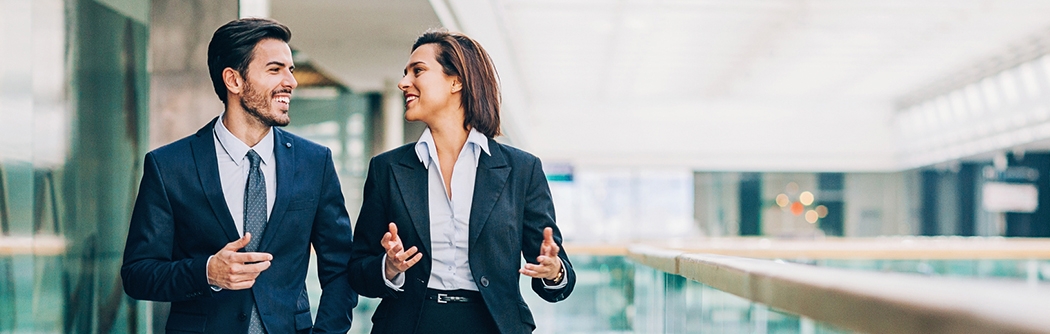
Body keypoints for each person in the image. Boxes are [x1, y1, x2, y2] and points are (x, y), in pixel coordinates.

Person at [121, 18, 356, 334]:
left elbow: (340, 269)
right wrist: (207, 272)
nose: (291, 81)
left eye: (291, 69)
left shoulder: (315, 162)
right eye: (275, 70)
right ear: (233, 80)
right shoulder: (169, 167)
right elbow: (138, 274)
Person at [348, 29, 575, 334]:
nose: (404, 83)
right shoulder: (387, 168)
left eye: (418, 71)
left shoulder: (521, 169)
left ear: (457, 81)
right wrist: (388, 267)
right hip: (409, 324)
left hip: (493, 325)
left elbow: (556, 273)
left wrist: (554, 271)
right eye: (405, 73)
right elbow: (358, 270)